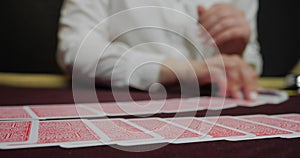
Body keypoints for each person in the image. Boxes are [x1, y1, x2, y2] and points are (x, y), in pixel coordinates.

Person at [57, 0, 262, 100]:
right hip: (125, 100)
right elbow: (76, 49)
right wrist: (183, 70)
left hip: (216, 104)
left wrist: (234, 54)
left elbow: (252, 59)